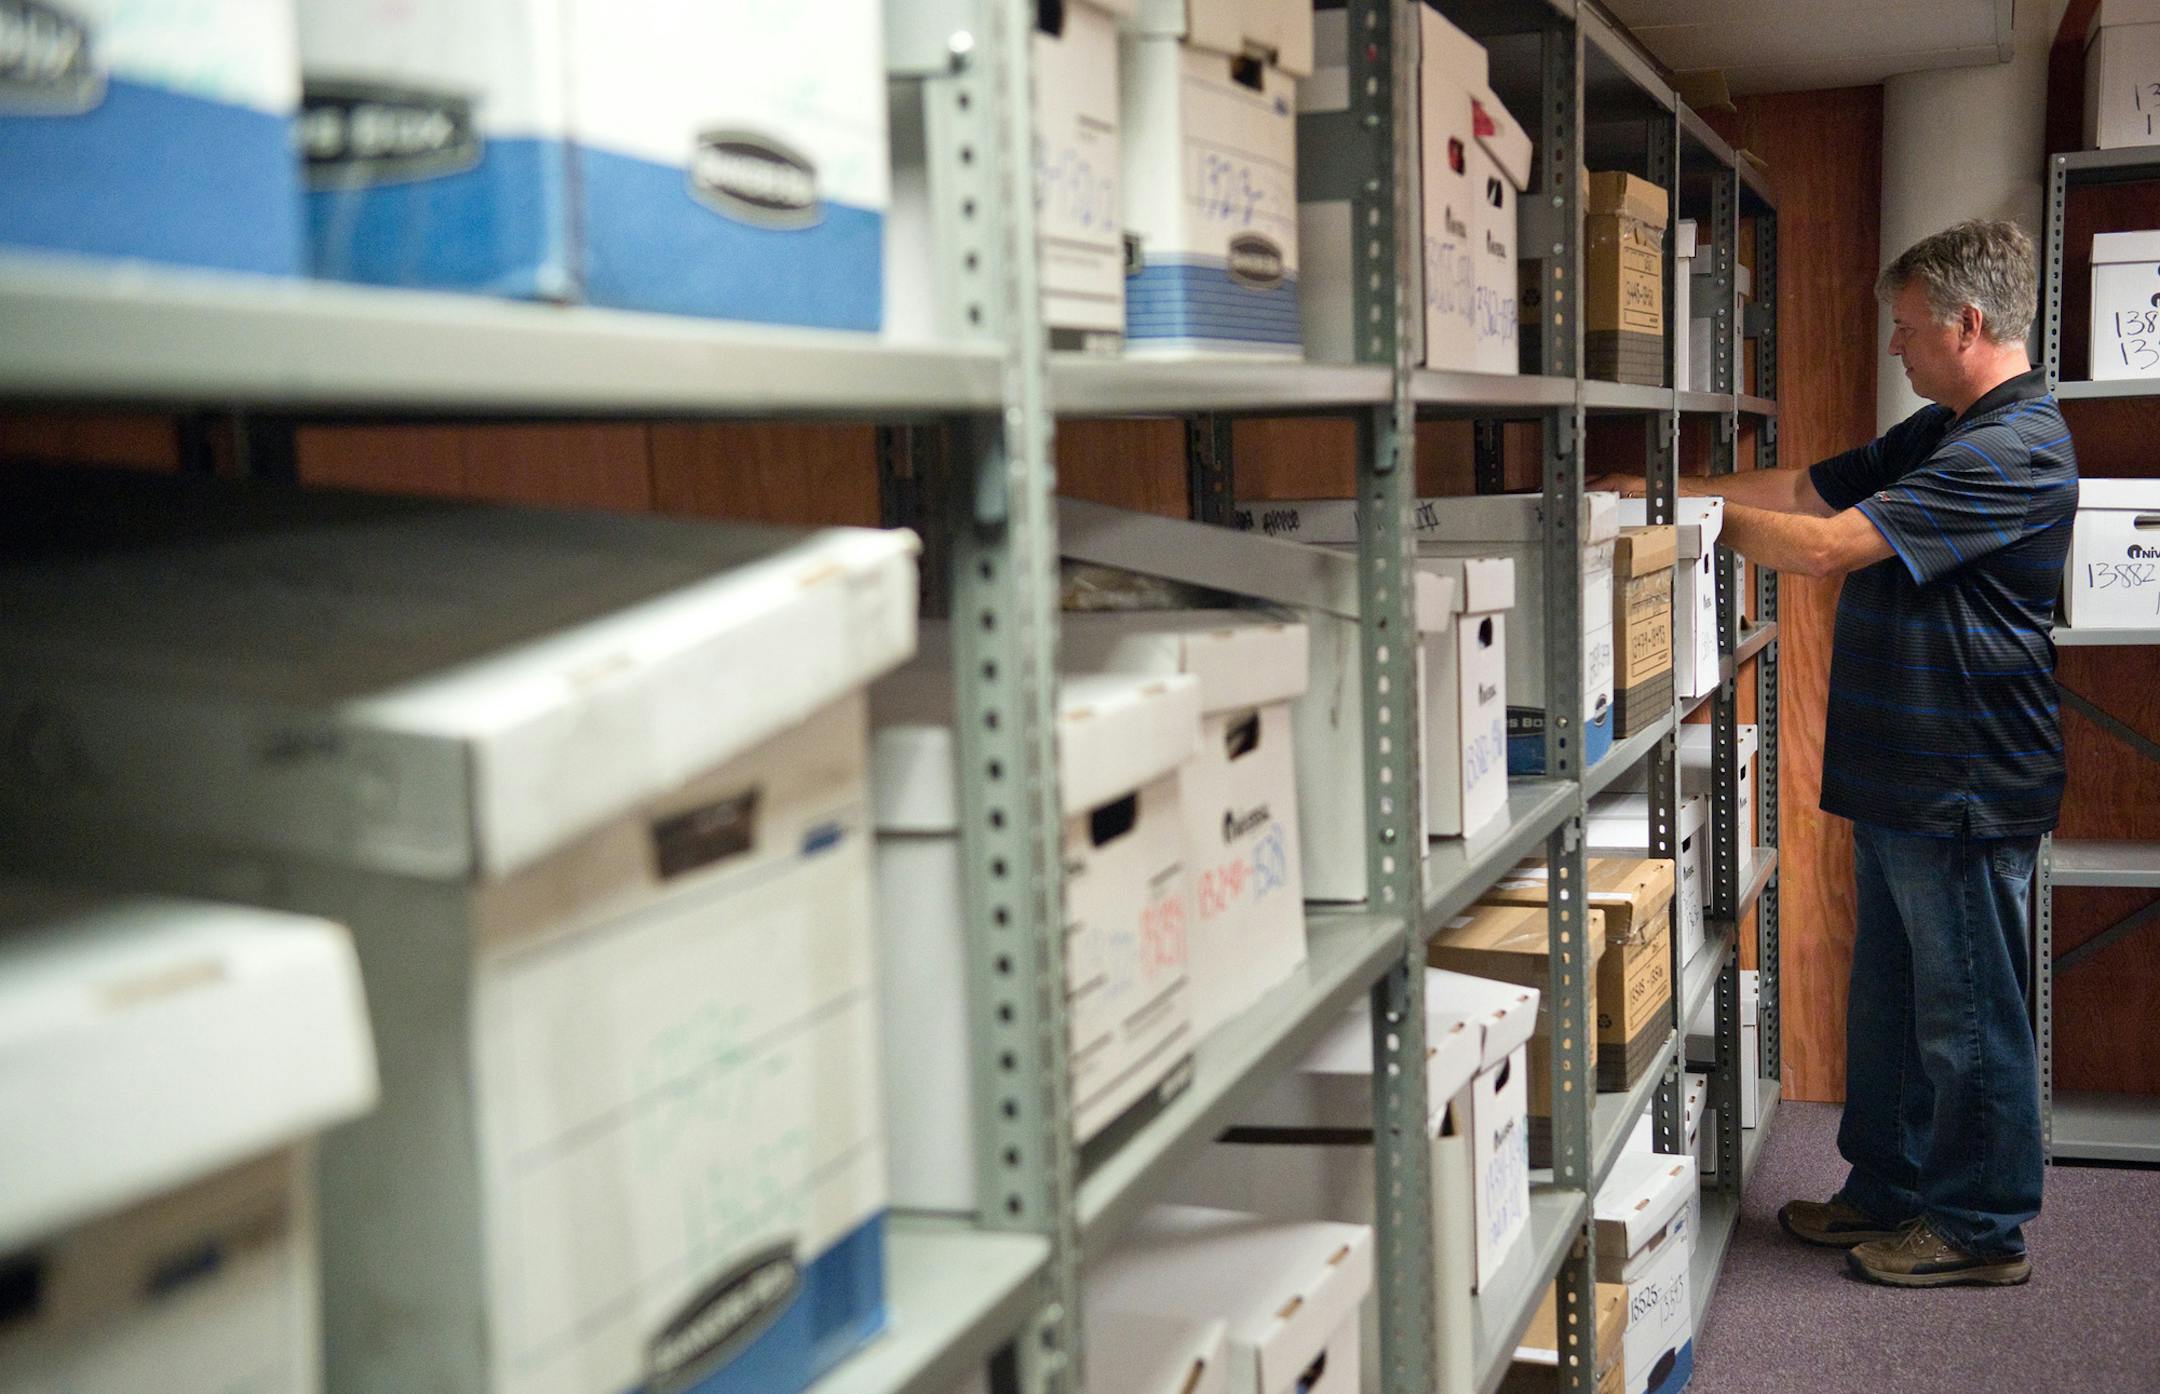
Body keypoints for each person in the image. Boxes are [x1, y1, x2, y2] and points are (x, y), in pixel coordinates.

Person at [1593, 218, 2076, 1287]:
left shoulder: (2015, 443)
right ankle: (1890, 1187)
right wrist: (1659, 490)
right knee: (1897, 1005)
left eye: (1907, 329)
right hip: (1910, 772)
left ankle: (1979, 1226)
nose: (1896, 348)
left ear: (1969, 321)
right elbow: (1813, 488)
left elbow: (1821, 548)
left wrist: (1685, 519)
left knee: (1967, 1016)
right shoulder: (1951, 425)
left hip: (1966, 777)